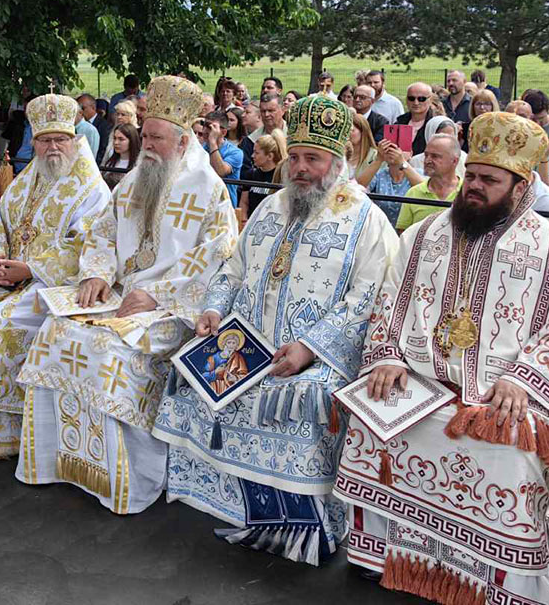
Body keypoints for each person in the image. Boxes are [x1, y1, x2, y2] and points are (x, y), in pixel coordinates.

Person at [335, 111, 549, 605]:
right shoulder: (423, 235)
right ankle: (387, 556)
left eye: (489, 180)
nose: (473, 187)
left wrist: (524, 379)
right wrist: (389, 354)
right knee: (368, 422)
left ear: (521, 186)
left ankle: (500, 582)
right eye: (471, 176)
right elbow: (388, 301)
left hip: (505, 396)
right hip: (420, 382)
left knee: (511, 450)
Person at [154, 95, 399, 563]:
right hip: (245, 341)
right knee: (187, 372)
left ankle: (305, 528)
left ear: (337, 160)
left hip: (316, 356)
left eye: (314, 158)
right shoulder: (270, 208)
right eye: (296, 158)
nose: (302, 168)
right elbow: (233, 268)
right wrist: (212, 309)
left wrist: (310, 348)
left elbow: (368, 298)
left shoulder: (365, 219)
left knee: (300, 397)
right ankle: (228, 502)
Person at [16, 76, 238, 513]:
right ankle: (60, 462)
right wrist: (95, 274)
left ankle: (128, 479)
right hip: (119, 295)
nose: (147, 145)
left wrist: (157, 296)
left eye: (155, 138)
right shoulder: (135, 179)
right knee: (54, 333)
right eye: (146, 136)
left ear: (182, 140)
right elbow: (101, 232)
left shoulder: (209, 189)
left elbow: (217, 259)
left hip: (173, 309)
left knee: (107, 350)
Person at [0, 95, 112, 457]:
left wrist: (31, 269)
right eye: (44, 140)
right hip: (7, 277)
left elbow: (89, 245)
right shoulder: (25, 179)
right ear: (33, 141)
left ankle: (11, 431)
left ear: (73, 140)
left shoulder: (91, 188)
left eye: (60, 140)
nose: (52, 147)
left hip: (53, 284)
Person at [396, 133, 462, 233]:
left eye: (435, 156)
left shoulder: (467, 193)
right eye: (426, 155)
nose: (427, 160)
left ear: (454, 161)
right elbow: (403, 234)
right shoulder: (413, 193)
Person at [197, 111, 244, 207]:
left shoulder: (235, 152)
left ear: (223, 132)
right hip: (202, 203)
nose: (205, 131)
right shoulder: (199, 149)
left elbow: (221, 171)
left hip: (224, 206)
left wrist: (213, 143)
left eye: (210, 128)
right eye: (204, 125)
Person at [239, 131, 285, 223]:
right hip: (251, 222)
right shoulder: (251, 174)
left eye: (256, 153)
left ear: (270, 156)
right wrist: (243, 221)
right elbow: (244, 202)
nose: (252, 156)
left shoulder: (281, 176)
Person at [405, 116, 467, 183]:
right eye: (441, 136)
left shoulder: (463, 158)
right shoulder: (415, 161)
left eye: (450, 136)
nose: (445, 140)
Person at [367, 140, 412, 226]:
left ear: (411, 154)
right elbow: (359, 186)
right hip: (381, 229)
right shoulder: (379, 174)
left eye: (400, 149)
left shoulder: (417, 174)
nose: (396, 152)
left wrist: (402, 163)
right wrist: (379, 159)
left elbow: (425, 189)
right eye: (391, 148)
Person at [389, 82, 433, 156]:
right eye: (411, 98)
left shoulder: (435, 124)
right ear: (406, 100)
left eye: (421, 99)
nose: (416, 103)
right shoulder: (399, 123)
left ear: (430, 100)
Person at [103, 123, 140, 189]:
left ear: (132, 140)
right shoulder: (110, 163)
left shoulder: (138, 165)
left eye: (121, 139)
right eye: (115, 138)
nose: (116, 142)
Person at [349, 112, 379, 186]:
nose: (347, 134)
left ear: (363, 132)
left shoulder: (374, 156)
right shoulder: (341, 154)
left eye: (351, 130)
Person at [72, 96, 100, 161]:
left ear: (80, 113)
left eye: (73, 113)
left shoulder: (90, 130)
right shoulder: (68, 128)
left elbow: (92, 154)